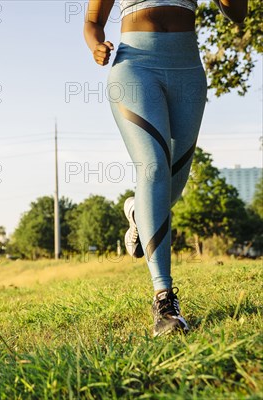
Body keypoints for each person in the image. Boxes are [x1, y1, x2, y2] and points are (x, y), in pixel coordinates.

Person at [84, 0, 248, 336]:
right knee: (153, 167)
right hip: (135, 67)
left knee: (176, 178)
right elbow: (92, 20)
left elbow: (238, 13)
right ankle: (164, 300)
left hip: (188, 70)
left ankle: (137, 214)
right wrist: (95, 46)